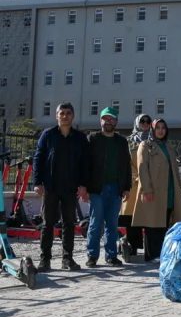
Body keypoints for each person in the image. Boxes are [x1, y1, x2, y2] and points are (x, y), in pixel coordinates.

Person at [32, 102, 89, 272]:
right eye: (61, 113)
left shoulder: (80, 138)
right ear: (56, 116)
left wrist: (83, 184)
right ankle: (45, 260)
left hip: (70, 188)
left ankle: (67, 259)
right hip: (50, 187)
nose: (65, 116)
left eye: (68, 113)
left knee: (69, 223)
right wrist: (37, 182)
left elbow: (85, 163)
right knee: (47, 223)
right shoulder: (48, 135)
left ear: (73, 116)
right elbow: (38, 158)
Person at [132, 119, 181, 261]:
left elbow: (174, 169)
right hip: (153, 190)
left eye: (163, 127)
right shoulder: (146, 145)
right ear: (152, 129)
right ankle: (152, 255)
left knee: (165, 221)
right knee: (152, 223)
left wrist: (178, 189)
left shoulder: (168, 146)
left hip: (169, 190)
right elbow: (142, 168)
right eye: (157, 127)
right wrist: (147, 189)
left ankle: (162, 252)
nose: (161, 130)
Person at [85, 107, 131, 267]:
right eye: (105, 118)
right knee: (96, 222)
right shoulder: (93, 139)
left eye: (112, 119)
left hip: (116, 188)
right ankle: (92, 255)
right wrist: (84, 187)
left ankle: (111, 255)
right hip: (97, 188)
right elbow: (85, 165)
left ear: (116, 121)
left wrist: (127, 187)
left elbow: (127, 165)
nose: (108, 121)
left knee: (112, 223)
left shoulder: (121, 141)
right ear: (100, 120)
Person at [119, 113, 151, 261]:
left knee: (150, 216)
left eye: (147, 121)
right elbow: (124, 162)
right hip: (133, 182)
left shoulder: (154, 140)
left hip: (150, 183)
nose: (145, 123)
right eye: (142, 121)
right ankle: (133, 246)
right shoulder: (128, 141)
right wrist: (136, 176)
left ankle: (151, 248)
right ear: (137, 123)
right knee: (132, 217)